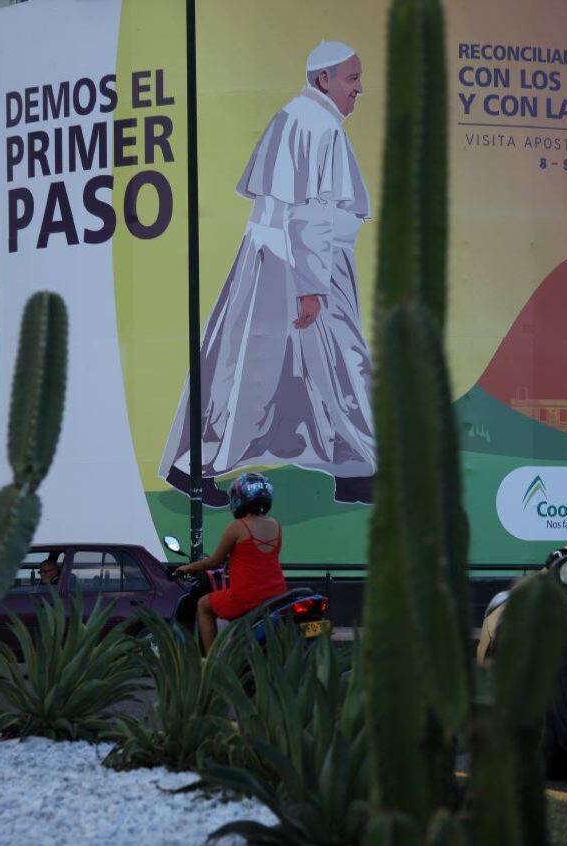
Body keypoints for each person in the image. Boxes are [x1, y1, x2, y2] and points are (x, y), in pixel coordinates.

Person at [159, 40, 376, 507]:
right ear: (324, 80)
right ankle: (358, 469)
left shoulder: (297, 117)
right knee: (337, 365)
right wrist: (313, 287)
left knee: (243, 364)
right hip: (301, 264)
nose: (360, 89)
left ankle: (354, 469)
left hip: (281, 258)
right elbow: (310, 212)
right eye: (352, 79)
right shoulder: (318, 126)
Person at [170, 472, 288, 655]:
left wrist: (187, 567)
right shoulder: (275, 525)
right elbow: (255, 558)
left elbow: (214, 560)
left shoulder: (237, 527)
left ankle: (211, 662)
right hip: (276, 594)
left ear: (239, 498)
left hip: (246, 596)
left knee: (203, 605)